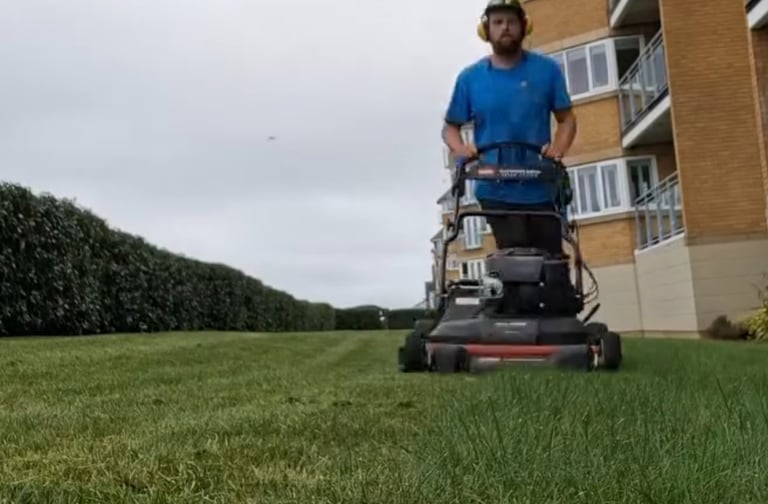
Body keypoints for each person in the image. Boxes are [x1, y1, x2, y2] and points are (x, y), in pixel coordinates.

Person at [442, 0, 577, 256]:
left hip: (541, 185)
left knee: (552, 264)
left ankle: (556, 292)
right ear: (486, 29)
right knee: (516, 262)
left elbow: (567, 119)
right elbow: (450, 128)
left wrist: (557, 149)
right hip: (495, 187)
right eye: (498, 22)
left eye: (511, 22)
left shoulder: (547, 71)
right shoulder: (470, 78)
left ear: (524, 26)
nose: (505, 28)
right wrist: (461, 150)